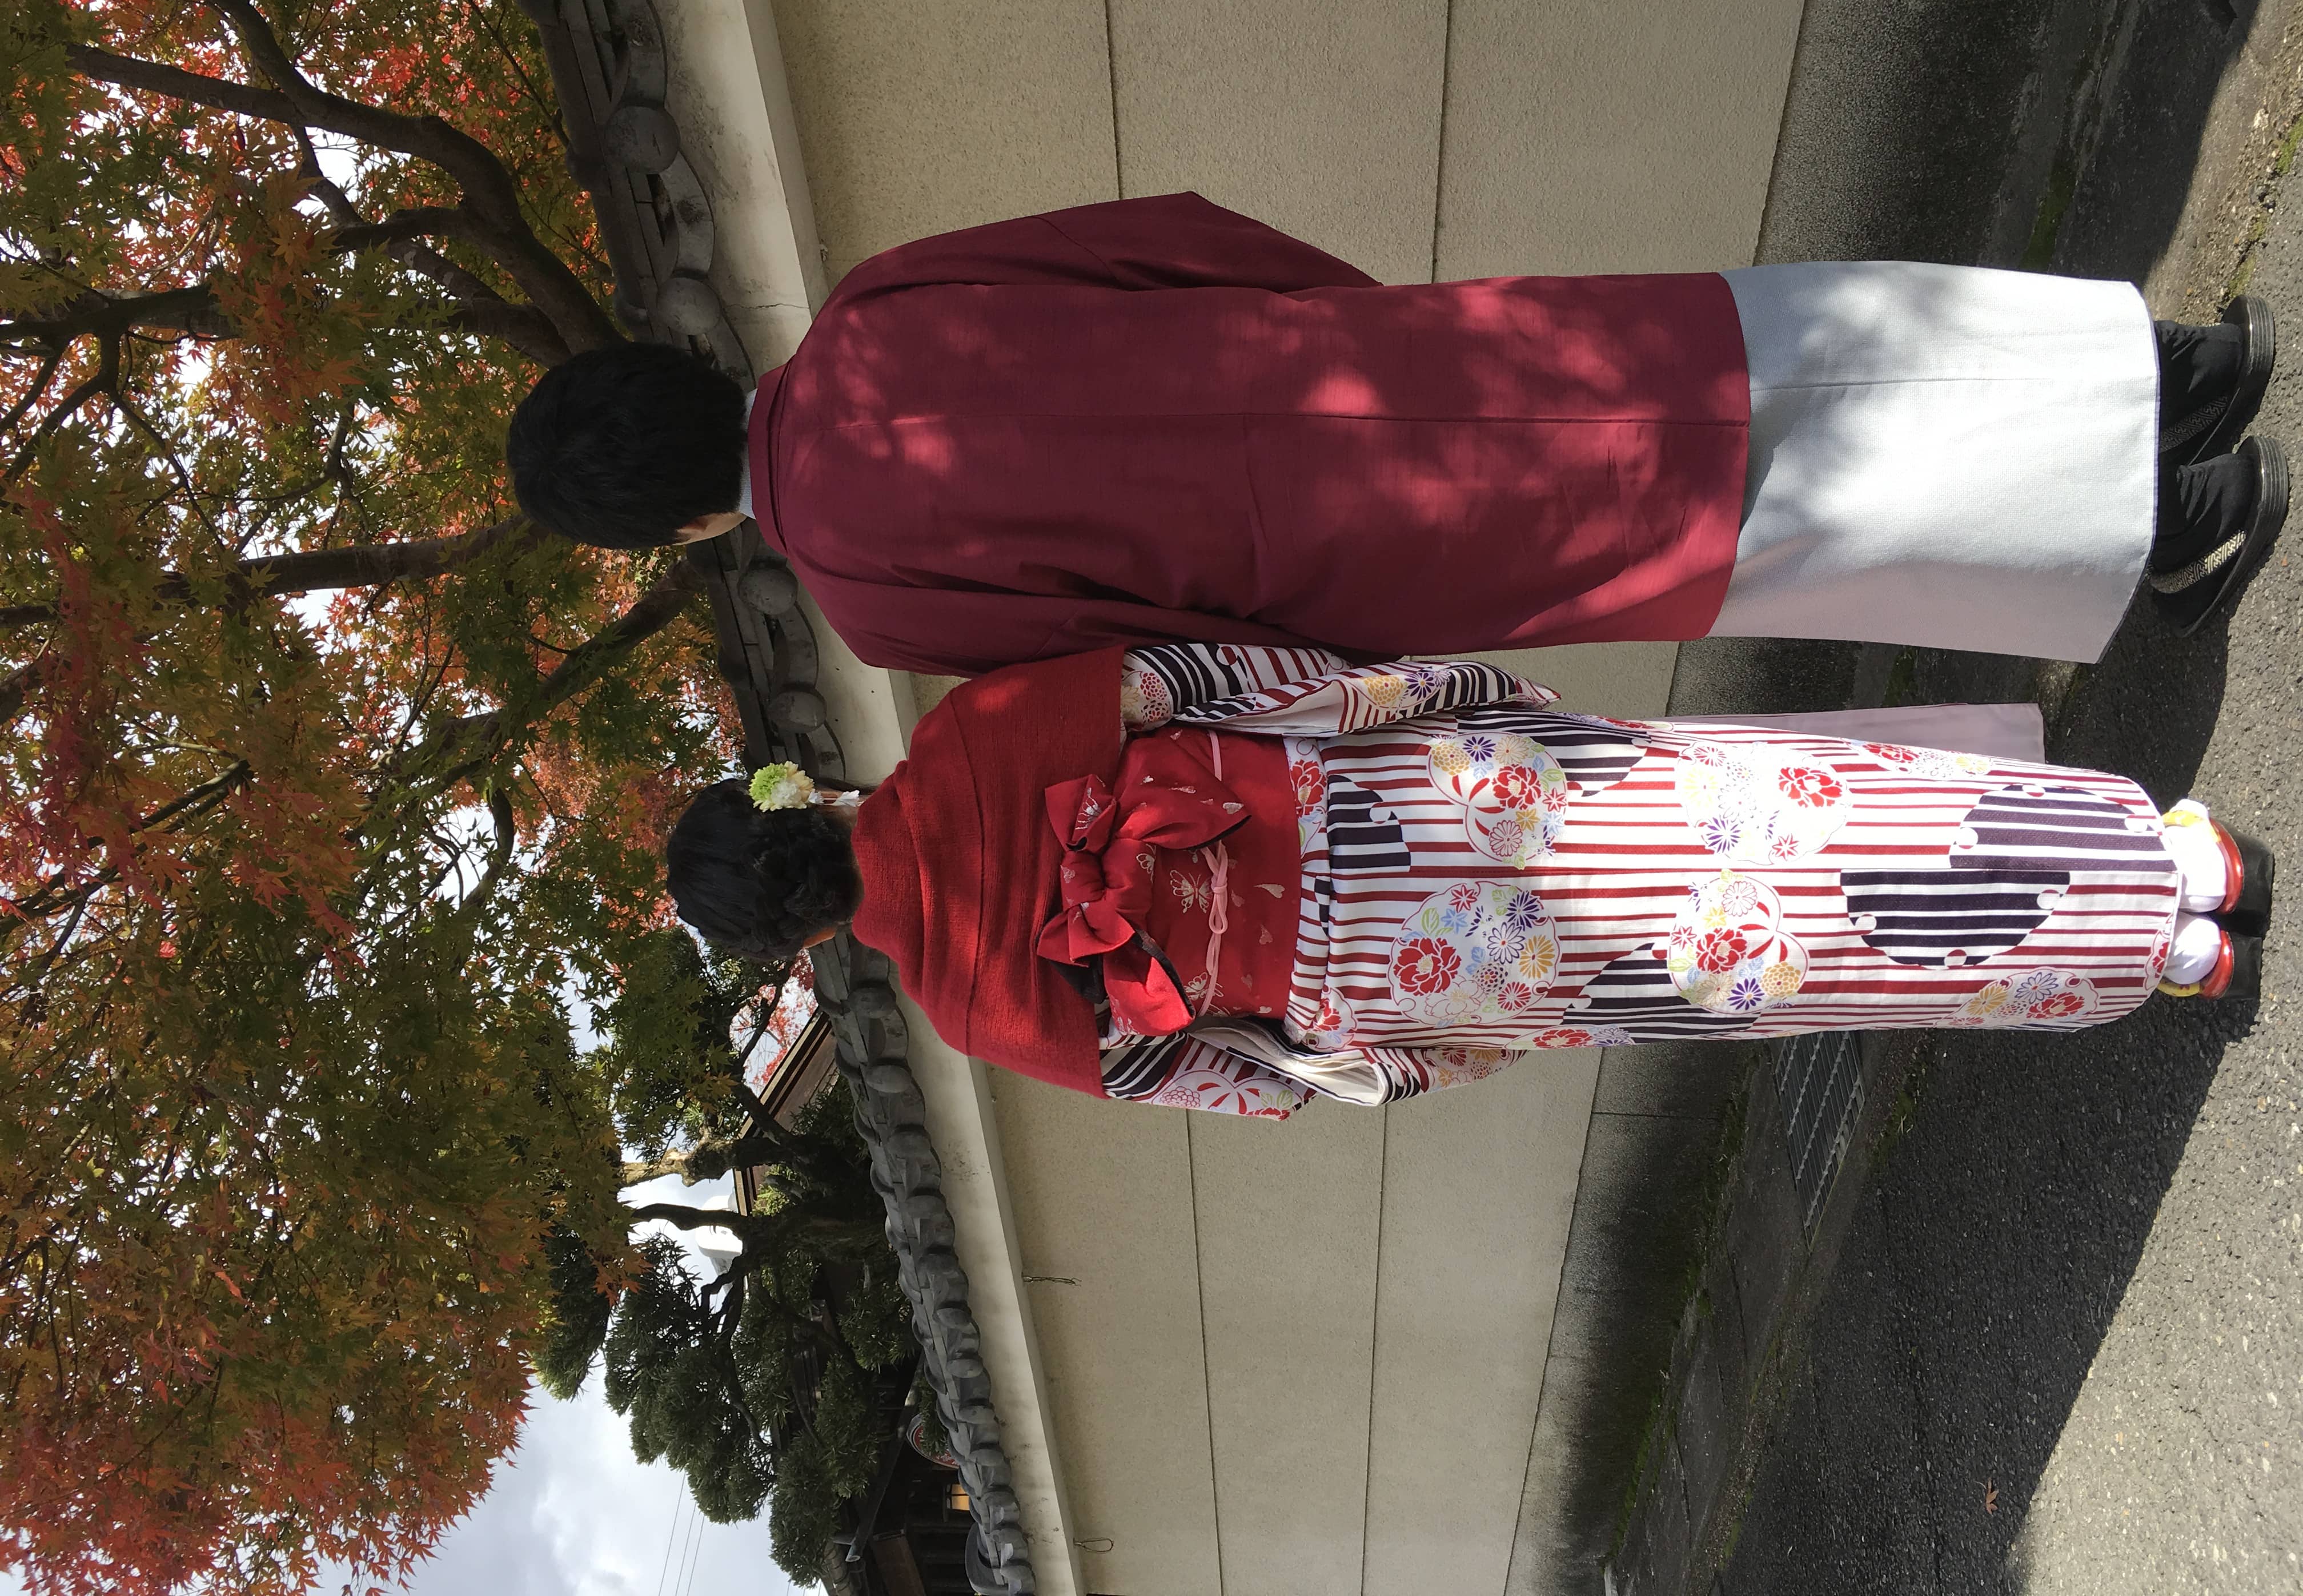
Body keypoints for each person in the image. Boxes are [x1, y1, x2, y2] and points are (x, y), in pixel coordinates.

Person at [508, 193, 2287, 676]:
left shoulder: (868, 601)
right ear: (678, 368)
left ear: (674, 529)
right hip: (1380, 361)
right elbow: (1170, 234)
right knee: (1782, 341)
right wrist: (1349, 322)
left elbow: (1149, 654)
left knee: (1770, 525)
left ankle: (2173, 515)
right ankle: (2169, 371)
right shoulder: (878, 303)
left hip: (1371, 550)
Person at [664, 645, 2273, 1119]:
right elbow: (1201, 679)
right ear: (790, 797)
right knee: (1756, 808)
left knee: (1740, 962)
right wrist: (1423, 695)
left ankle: (2138, 958)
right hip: (1403, 801)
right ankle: (2159, 862)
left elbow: (1202, 1076)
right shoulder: (966, 736)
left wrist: (1393, 1059)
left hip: (1397, 969)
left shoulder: (964, 1009)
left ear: (800, 940)